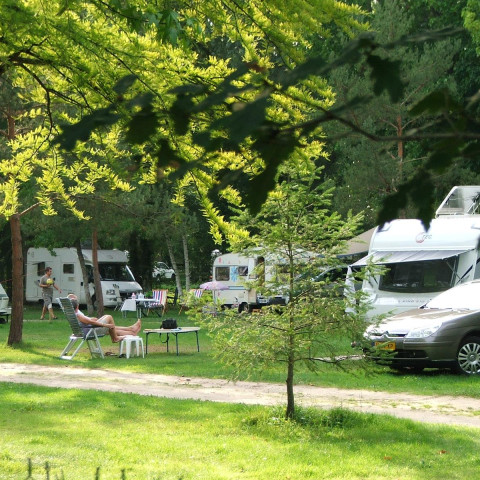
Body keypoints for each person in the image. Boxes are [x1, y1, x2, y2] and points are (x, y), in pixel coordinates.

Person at [68, 294, 141, 343]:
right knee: (109, 317)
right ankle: (115, 338)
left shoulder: (72, 313)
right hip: (91, 331)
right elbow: (91, 322)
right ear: (77, 306)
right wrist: (105, 325)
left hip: (88, 329)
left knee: (111, 328)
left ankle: (131, 330)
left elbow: (87, 321)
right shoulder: (78, 315)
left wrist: (91, 319)